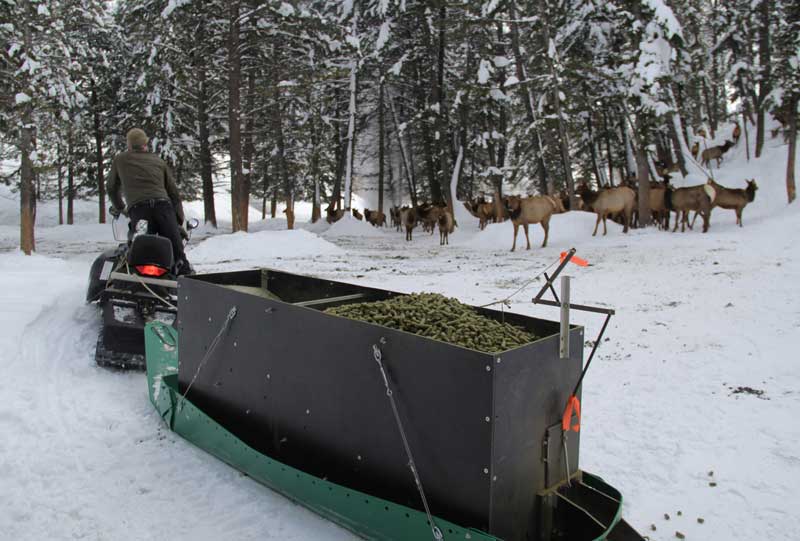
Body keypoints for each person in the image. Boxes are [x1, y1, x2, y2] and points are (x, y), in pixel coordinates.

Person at [108, 128, 192, 275]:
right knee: (176, 250)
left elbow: (111, 187)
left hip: (140, 211)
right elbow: (174, 193)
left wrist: (121, 208)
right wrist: (178, 221)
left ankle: (138, 284)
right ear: (145, 144)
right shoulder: (158, 161)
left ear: (129, 145)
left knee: (141, 250)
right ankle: (184, 276)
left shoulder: (120, 159)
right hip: (164, 208)